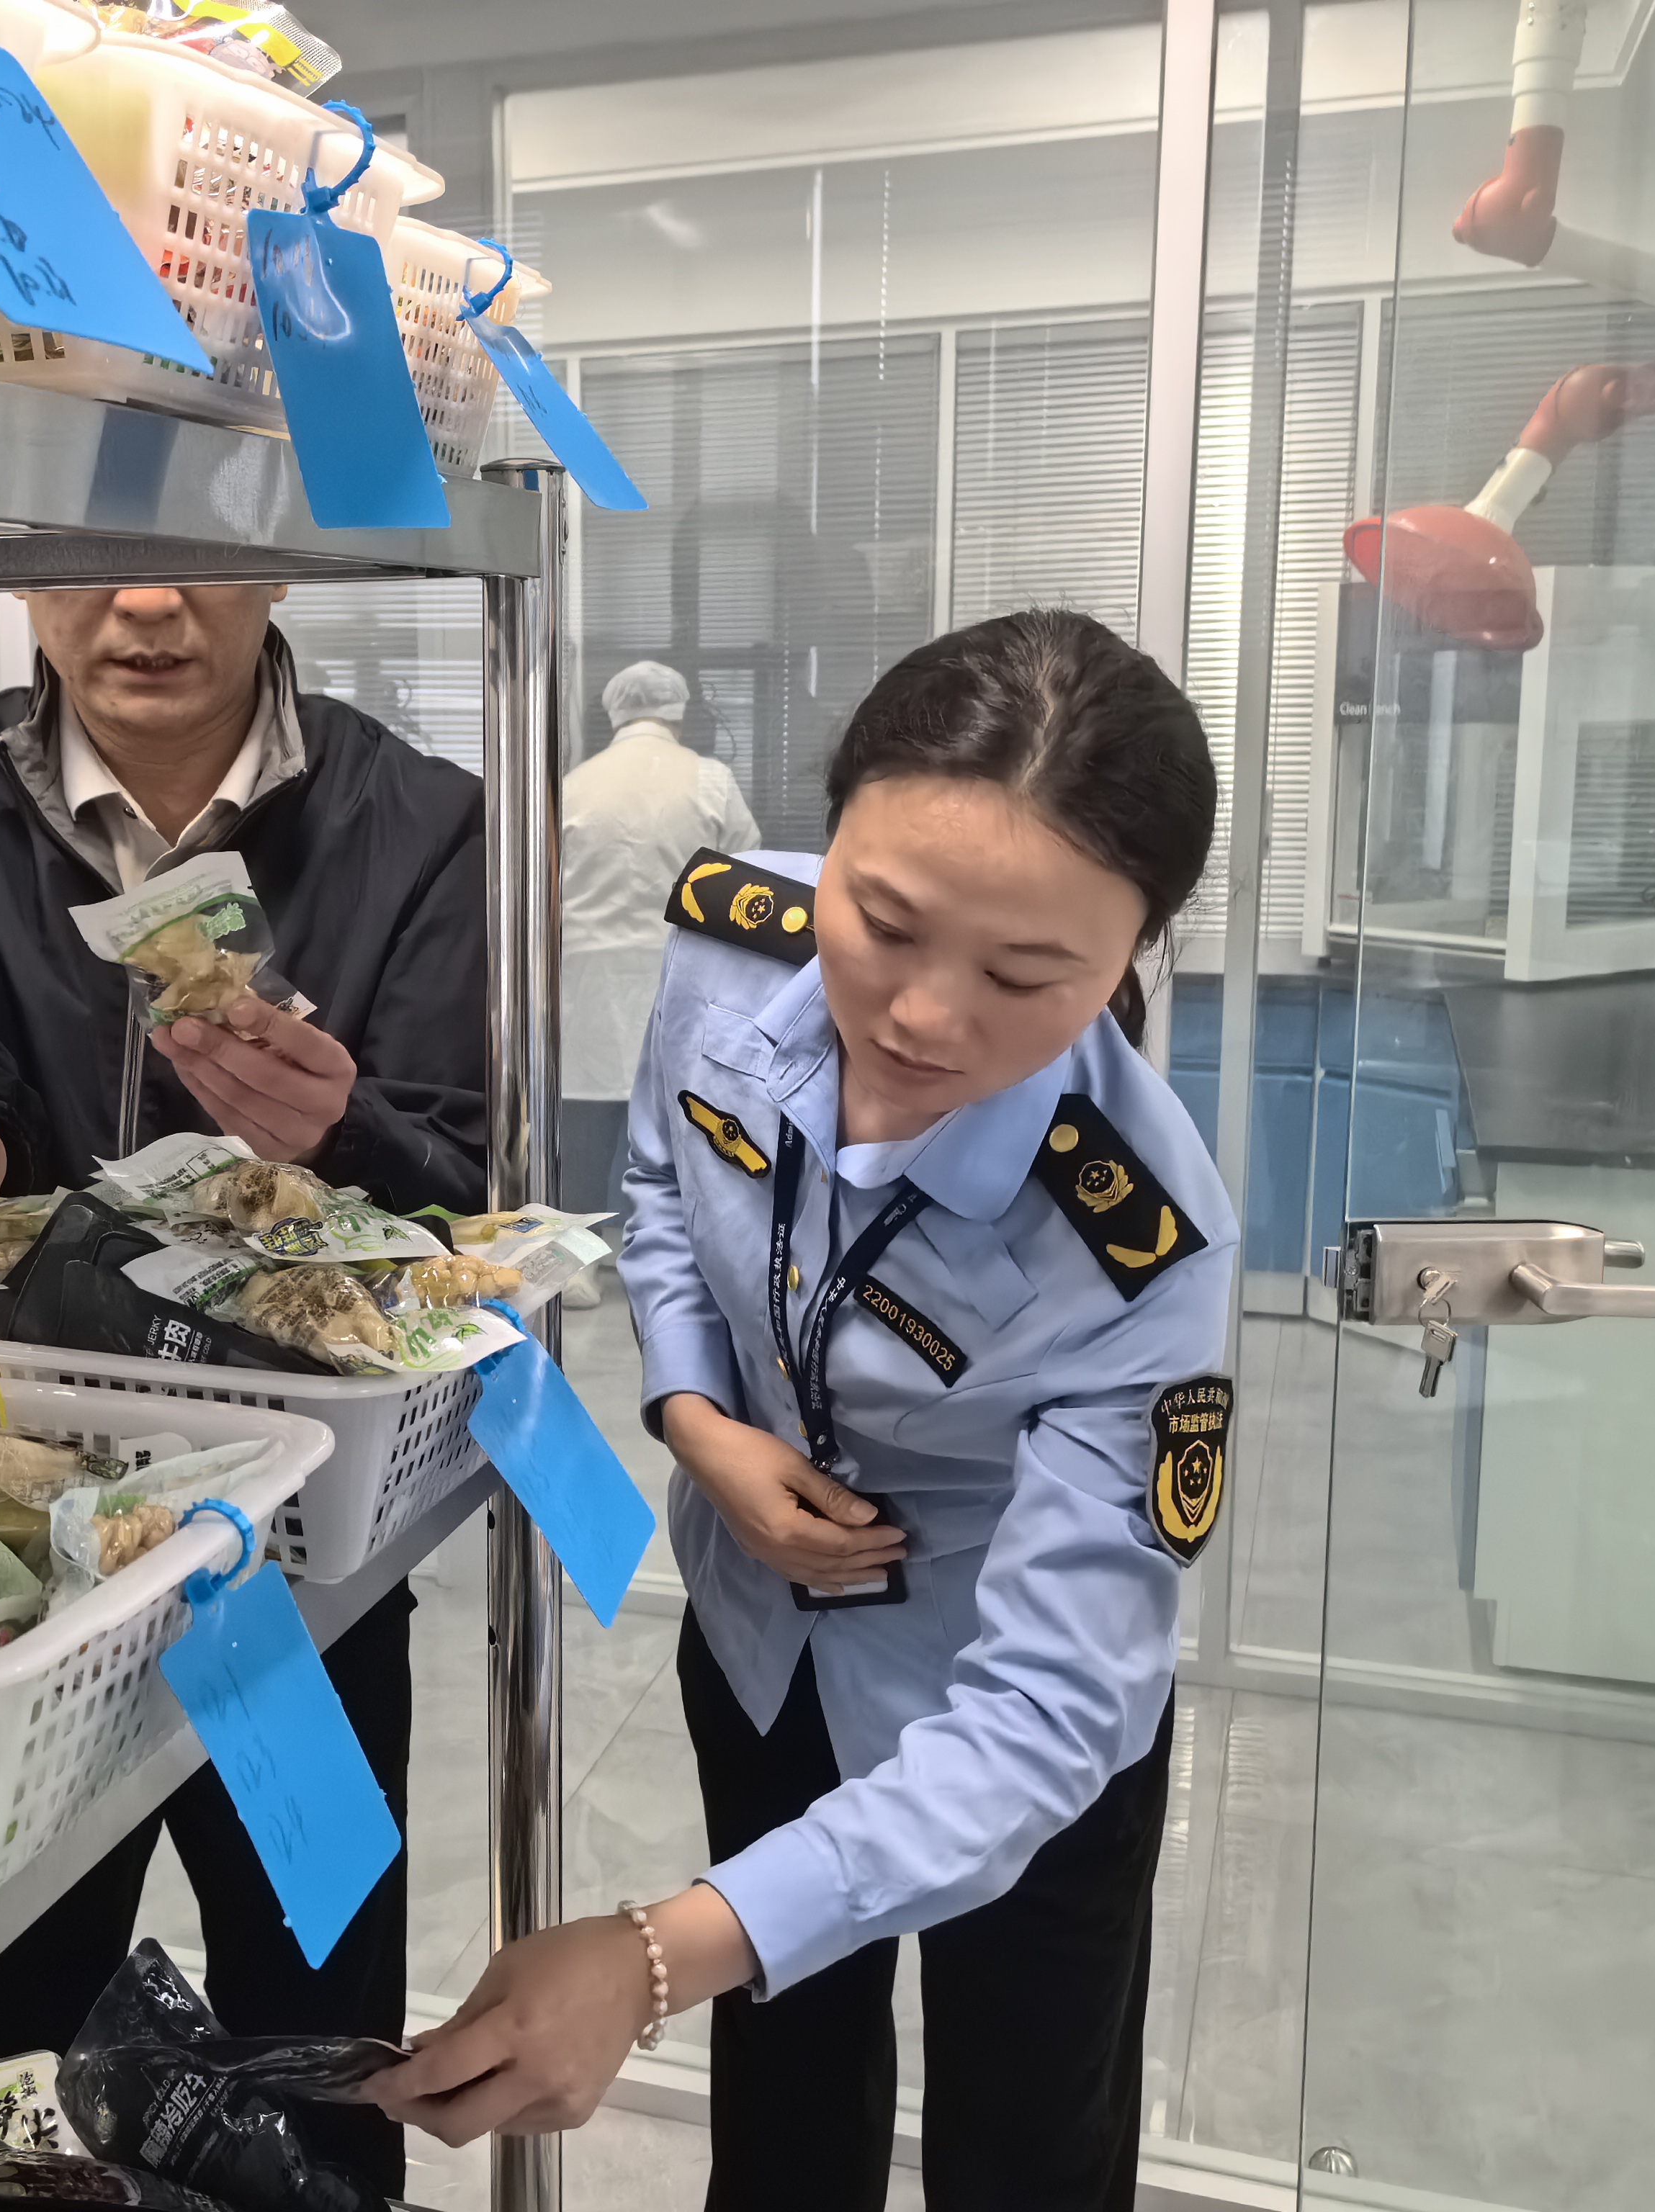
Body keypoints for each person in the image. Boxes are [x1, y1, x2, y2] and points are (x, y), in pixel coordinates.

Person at [373, 609, 1237, 2212]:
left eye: (1025, 975)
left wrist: (646, 1953)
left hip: (991, 1701)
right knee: (781, 2107)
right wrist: (695, 1412)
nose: (921, 1016)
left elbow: (1049, 1709)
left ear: (1128, 963)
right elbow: (657, 1185)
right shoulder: (730, 949)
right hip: (765, 1635)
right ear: (826, 846)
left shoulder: (1138, 1248)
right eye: (883, 922)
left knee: (1025, 2144)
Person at [0, 583, 488, 2198]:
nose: (148, 602)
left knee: (320, 2033)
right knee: (15, 2056)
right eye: (94, 555)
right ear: (23, 569)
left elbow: (460, 1181)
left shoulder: (417, 820)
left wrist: (346, 1134)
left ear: (274, 559)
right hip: (10, 1541)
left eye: (189, 552)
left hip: (293, 1552)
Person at [559, 661, 760, 1292]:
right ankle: (667, 1259)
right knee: (678, 1123)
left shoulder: (572, 786)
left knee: (584, 1129)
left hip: (586, 978)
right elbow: (748, 878)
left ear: (614, 712)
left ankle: (576, 1268)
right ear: (678, 711)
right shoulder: (710, 780)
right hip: (679, 971)